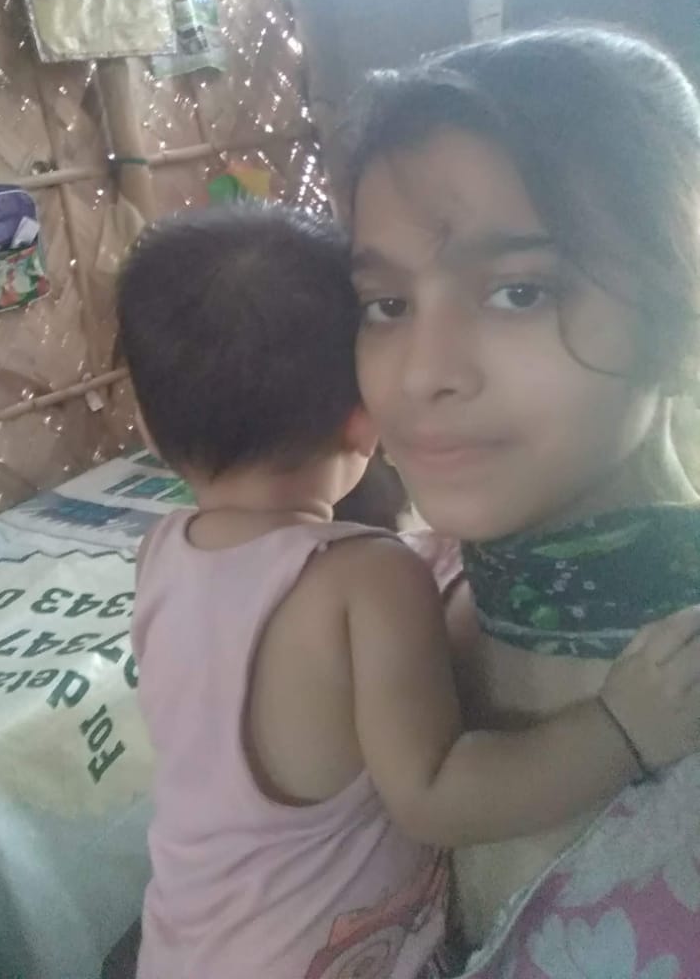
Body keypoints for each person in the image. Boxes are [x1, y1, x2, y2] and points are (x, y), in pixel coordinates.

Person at [116, 200, 700, 979]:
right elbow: (432, 795)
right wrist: (620, 728)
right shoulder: (367, 578)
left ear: (147, 428)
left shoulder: (161, 551)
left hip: (183, 944)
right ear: (366, 420)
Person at [346, 25, 700, 976]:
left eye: (517, 292)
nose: (419, 374)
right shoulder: (418, 597)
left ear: (677, 321)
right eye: (386, 305)